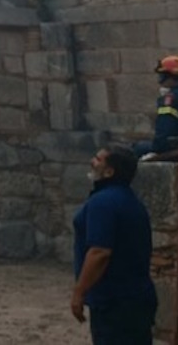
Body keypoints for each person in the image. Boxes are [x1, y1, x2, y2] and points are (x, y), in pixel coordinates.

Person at [70, 144, 157, 344]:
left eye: (98, 160)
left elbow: (100, 252)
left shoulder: (103, 203)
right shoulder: (132, 201)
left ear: (110, 171)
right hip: (136, 298)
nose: (92, 162)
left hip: (114, 302)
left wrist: (79, 292)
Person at [134, 55, 178, 161]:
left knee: (135, 149)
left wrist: (158, 150)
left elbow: (165, 130)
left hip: (172, 146)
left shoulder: (170, 99)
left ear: (172, 76)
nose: (160, 82)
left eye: (162, 76)